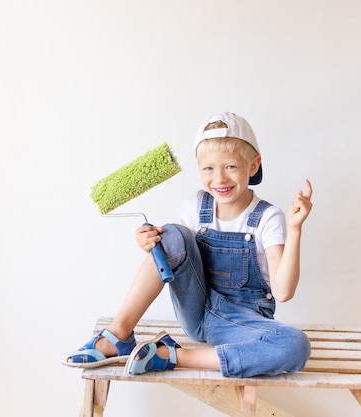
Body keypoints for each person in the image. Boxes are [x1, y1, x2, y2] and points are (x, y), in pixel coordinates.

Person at [62, 112, 313, 377]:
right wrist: (152, 243)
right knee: (172, 233)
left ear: (252, 166)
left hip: (243, 323)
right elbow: (178, 254)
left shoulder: (267, 218)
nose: (219, 179)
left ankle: (171, 355)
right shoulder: (196, 206)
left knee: (295, 345)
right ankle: (118, 336)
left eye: (230, 166)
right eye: (209, 168)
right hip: (197, 311)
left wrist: (295, 228)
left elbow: (283, 292)